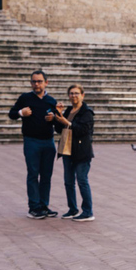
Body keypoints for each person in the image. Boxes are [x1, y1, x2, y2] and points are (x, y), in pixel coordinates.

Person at [8, 70, 59, 219]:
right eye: (34, 81)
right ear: (31, 83)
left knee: (46, 176)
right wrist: (20, 113)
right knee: (33, 174)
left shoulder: (51, 100)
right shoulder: (25, 98)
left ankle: (44, 205)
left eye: (39, 81)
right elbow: (11, 114)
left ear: (46, 82)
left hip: (49, 142)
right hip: (32, 141)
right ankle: (34, 207)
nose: (37, 84)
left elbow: (57, 123)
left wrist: (54, 118)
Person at [53, 84, 96, 222]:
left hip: (81, 151)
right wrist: (58, 114)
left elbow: (83, 131)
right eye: (71, 93)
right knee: (68, 182)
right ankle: (72, 209)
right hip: (67, 150)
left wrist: (68, 123)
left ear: (82, 95)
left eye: (76, 93)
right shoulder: (69, 110)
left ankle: (88, 212)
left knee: (82, 181)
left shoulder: (87, 112)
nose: (74, 96)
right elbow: (59, 129)